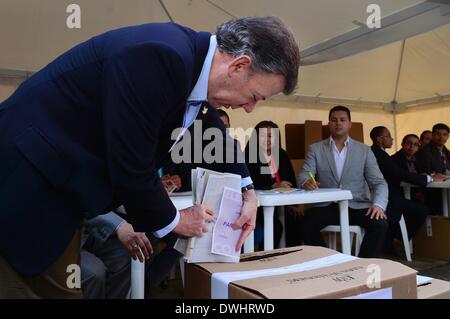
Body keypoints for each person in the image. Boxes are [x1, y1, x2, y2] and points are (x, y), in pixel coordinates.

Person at [0, 16, 300, 298]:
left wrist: (248, 191)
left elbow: (215, 133)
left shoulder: (190, 70)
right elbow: (132, 164)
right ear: (238, 66)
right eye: (256, 97)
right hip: (30, 178)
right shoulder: (159, 57)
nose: (250, 108)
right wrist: (176, 220)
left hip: (60, 183)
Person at [298, 106, 389, 258]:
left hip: (357, 205)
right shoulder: (316, 149)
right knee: (305, 223)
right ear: (329, 124)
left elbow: (379, 182)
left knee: (380, 224)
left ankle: (362, 264)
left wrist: (378, 204)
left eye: (342, 120)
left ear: (350, 124)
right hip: (327, 205)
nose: (338, 123)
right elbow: (304, 173)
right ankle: (329, 261)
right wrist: (306, 181)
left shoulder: (364, 150)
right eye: (334, 120)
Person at [369, 127, 446, 254]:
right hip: (388, 198)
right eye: (388, 136)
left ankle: (392, 239)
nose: (392, 139)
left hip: (391, 195)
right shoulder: (381, 154)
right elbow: (400, 173)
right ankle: (395, 238)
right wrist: (429, 178)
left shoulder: (380, 153)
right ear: (379, 139)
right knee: (422, 209)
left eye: (416, 145)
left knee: (427, 204)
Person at [244, 121, 302, 248]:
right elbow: (250, 183)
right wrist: (273, 186)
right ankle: (269, 258)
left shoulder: (281, 154)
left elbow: (291, 179)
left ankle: (292, 257)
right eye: (263, 135)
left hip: (282, 203)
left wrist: (293, 204)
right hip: (257, 206)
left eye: (271, 136)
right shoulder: (249, 155)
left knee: (296, 221)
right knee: (275, 227)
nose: (268, 139)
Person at [81, 212, 151, 299]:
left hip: (85, 230)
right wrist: (119, 225)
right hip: (64, 241)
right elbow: (82, 202)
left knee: (127, 253)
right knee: (94, 273)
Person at [415, 123, 450, 214]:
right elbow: (423, 172)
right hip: (431, 191)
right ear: (433, 135)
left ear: (448, 136)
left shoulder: (446, 152)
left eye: (444, 134)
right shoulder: (424, 151)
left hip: (446, 189)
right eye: (438, 134)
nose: (441, 137)